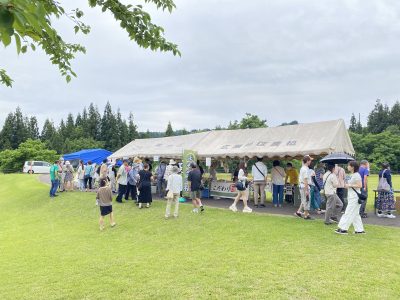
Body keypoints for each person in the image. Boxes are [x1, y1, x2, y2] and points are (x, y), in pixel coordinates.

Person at [335, 161, 365, 235]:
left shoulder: (356, 175)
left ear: (352, 167)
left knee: (348, 212)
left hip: (355, 197)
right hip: (352, 196)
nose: (347, 167)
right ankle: (359, 230)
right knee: (355, 214)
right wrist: (348, 185)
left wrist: (350, 185)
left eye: (349, 165)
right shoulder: (353, 175)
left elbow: (360, 185)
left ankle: (343, 229)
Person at [295, 155, 313, 220]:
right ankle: (306, 215)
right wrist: (306, 190)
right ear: (307, 161)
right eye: (310, 160)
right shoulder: (305, 169)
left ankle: (299, 212)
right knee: (306, 200)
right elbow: (305, 180)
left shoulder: (304, 168)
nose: (311, 161)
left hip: (303, 186)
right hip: (304, 186)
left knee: (304, 200)